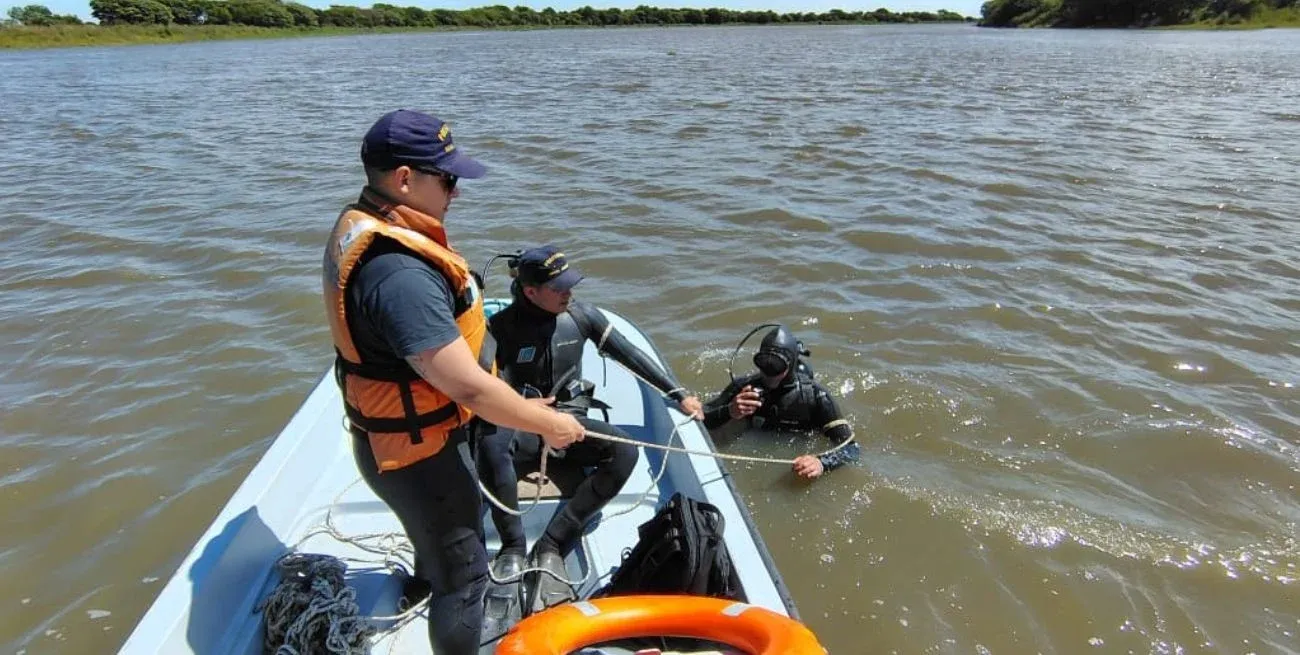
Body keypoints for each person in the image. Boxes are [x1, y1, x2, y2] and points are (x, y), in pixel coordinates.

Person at [321, 109, 585, 655]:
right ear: (403, 179)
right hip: (417, 453)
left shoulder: (365, 222)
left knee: (440, 547)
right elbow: (465, 387)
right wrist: (550, 424)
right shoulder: (399, 272)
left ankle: (425, 575)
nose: (456, 191)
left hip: (404, 439)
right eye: (448, 179)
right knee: (465, 581)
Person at [478, 245, 704, 618]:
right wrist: (525, 415)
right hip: (521, 421)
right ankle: (513, 549)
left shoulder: (581, 316)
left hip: (569, 422)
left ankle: (552, 545)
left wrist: (677, 394)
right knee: (488, 443)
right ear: (530, 291)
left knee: (625, 451)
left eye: (570, 285)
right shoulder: (498, 329)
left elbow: (628, 353)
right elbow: (487, 389)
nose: (570, 293)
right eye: (559, 288)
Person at [702, 325, 860, 479]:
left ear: (790, 365)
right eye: (764, 363)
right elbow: (704, 416)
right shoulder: (745, 387)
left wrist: (821, 463)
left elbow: (851, 448)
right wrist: (729, 411)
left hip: (798, 447)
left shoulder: (816, 397)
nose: (769, 373)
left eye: (776, 365)